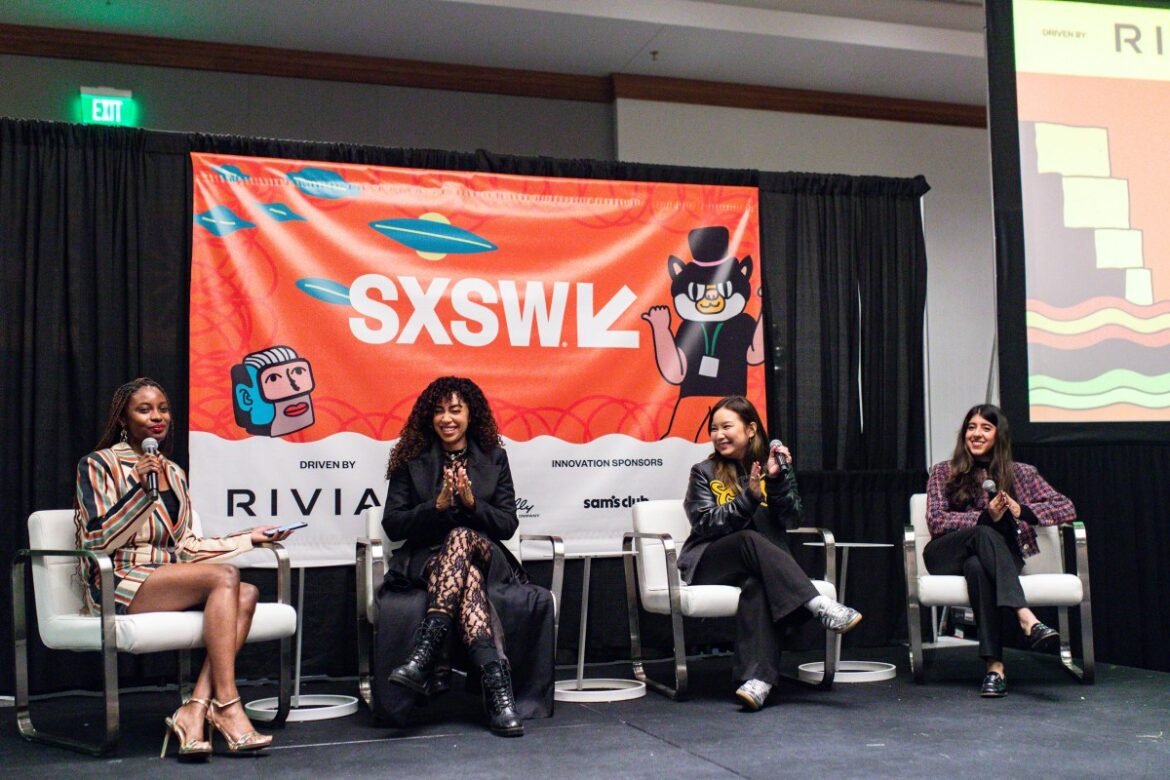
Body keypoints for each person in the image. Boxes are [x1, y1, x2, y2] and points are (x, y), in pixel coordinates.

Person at [74, 377, 296, 760]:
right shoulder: (98, 464)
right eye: (145, 410)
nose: (157, 417)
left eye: (163, 409)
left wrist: (251, 537)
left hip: (166, 575)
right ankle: (227, 705)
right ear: (124, 419)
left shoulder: (174, 473)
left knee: (247, 593)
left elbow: (188, 546)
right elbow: (96, 540)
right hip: (118, 579)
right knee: (227, 577)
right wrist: (141, 492)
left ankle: (195, 709)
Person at [381, 376, 552, 737]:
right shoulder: (411, 459)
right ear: (429, 417)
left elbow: (507, 524)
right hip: (428, 557)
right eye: (439, 411)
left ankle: (424, 655)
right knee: (467, 577)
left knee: (462, 537)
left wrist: (473, 505)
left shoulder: (494, 458)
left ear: (470, 415)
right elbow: (393, 525)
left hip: (486, 553)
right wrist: (436, 506)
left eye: (455, 410)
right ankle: (499, 693)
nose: (447, 418)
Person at [681, 395, 862, 711]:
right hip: (711, 560)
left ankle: (758, 681)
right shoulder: (703, 471)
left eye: (726, 427)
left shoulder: (771, 467)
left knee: (758, 585)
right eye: (714, 429)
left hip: (759, 567)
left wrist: (777, 482)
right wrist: (748, 500)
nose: (719, 435)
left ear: (751, 429)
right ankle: (817, 605)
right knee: (747, 539)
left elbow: (791, 520)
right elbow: (705, 524)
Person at [924, 403, 1076, 698]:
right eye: (971, 427)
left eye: (986, 428)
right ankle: (1025, 616)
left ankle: (995, 669)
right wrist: (984, 517)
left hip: (997, 557)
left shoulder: (1022, 474)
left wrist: (1023, 510)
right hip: (946, 553)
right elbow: (936, 520)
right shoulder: (943, 471)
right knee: (983, 532)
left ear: (999, 435)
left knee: (977, 567)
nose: (976, 434)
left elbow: (1066, 506)